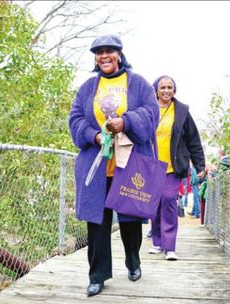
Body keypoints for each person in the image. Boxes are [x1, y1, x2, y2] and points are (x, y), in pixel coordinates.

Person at [69, 35, 159, 297]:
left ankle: (133, 261)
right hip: (97, 167)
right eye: (99, 53)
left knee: (130, 220)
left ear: (119, 54)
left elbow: (151, 113)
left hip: (128, 165)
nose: (103, 56)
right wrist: (94, 136)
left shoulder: (138, 83)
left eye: (109, 51)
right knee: (97, 224)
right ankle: (97, 276)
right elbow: (75, 119)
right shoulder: (88, 88)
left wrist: (126, 122)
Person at [148, 75, 205, 261]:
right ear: (156, 90)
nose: (166, 91)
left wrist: (200, 165)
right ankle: (157, 242)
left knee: (169, 200)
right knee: (154, 203)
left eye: (170, 87)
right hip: (151, 165)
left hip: (173, 165)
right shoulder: (148, 109)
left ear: (174, 90)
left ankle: (169, 246)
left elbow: (193, 139)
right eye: (162, 87)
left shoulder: (181, 111)